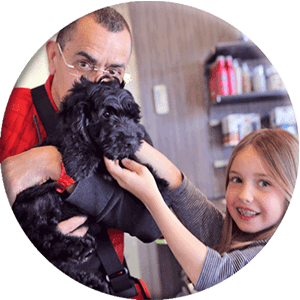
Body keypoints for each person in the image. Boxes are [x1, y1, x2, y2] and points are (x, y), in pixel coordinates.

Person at [1, 7, 179, 298]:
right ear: (53, 57)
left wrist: (56, 167)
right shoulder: (12, 114)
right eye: (84, 64)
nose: (97, 81)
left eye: (113, 71)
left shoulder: (124, 127)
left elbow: (155, 225)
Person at [104, 128, 299, 291]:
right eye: (236, 179)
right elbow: (179, 187)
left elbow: (214, 275)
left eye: (264, 183)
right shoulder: (233, 235)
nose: (244, 195)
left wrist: (152, 198)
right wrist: (129, 138)